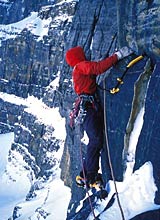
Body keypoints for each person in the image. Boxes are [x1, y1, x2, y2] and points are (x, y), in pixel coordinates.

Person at [65, 46, 133, 188]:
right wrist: (118, 55)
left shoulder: (79, 68)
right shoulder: (80, 66)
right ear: (78, 56)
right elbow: (97, 68)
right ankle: (89, 176)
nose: (86, 55)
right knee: (95, 140)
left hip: (88, 107)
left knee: (96, 140)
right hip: (89, 108)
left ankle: (86, 174)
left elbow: (94, 70)